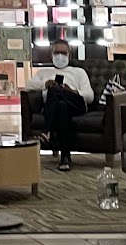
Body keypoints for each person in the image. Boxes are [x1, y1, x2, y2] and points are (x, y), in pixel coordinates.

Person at [40, 41, 94, 169]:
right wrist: (45, 84)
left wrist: (72, 91)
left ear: (70, 55)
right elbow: (28, 86)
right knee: (61, 105)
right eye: (56, 53)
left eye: (63, 53)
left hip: (76, 104)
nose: (60, 56)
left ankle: (47, 130)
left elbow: (90, 96)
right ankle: (65, 157)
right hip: (59, 107)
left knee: (56, 92)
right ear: (51, 55)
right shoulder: (44, 72)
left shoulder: (79, 72)